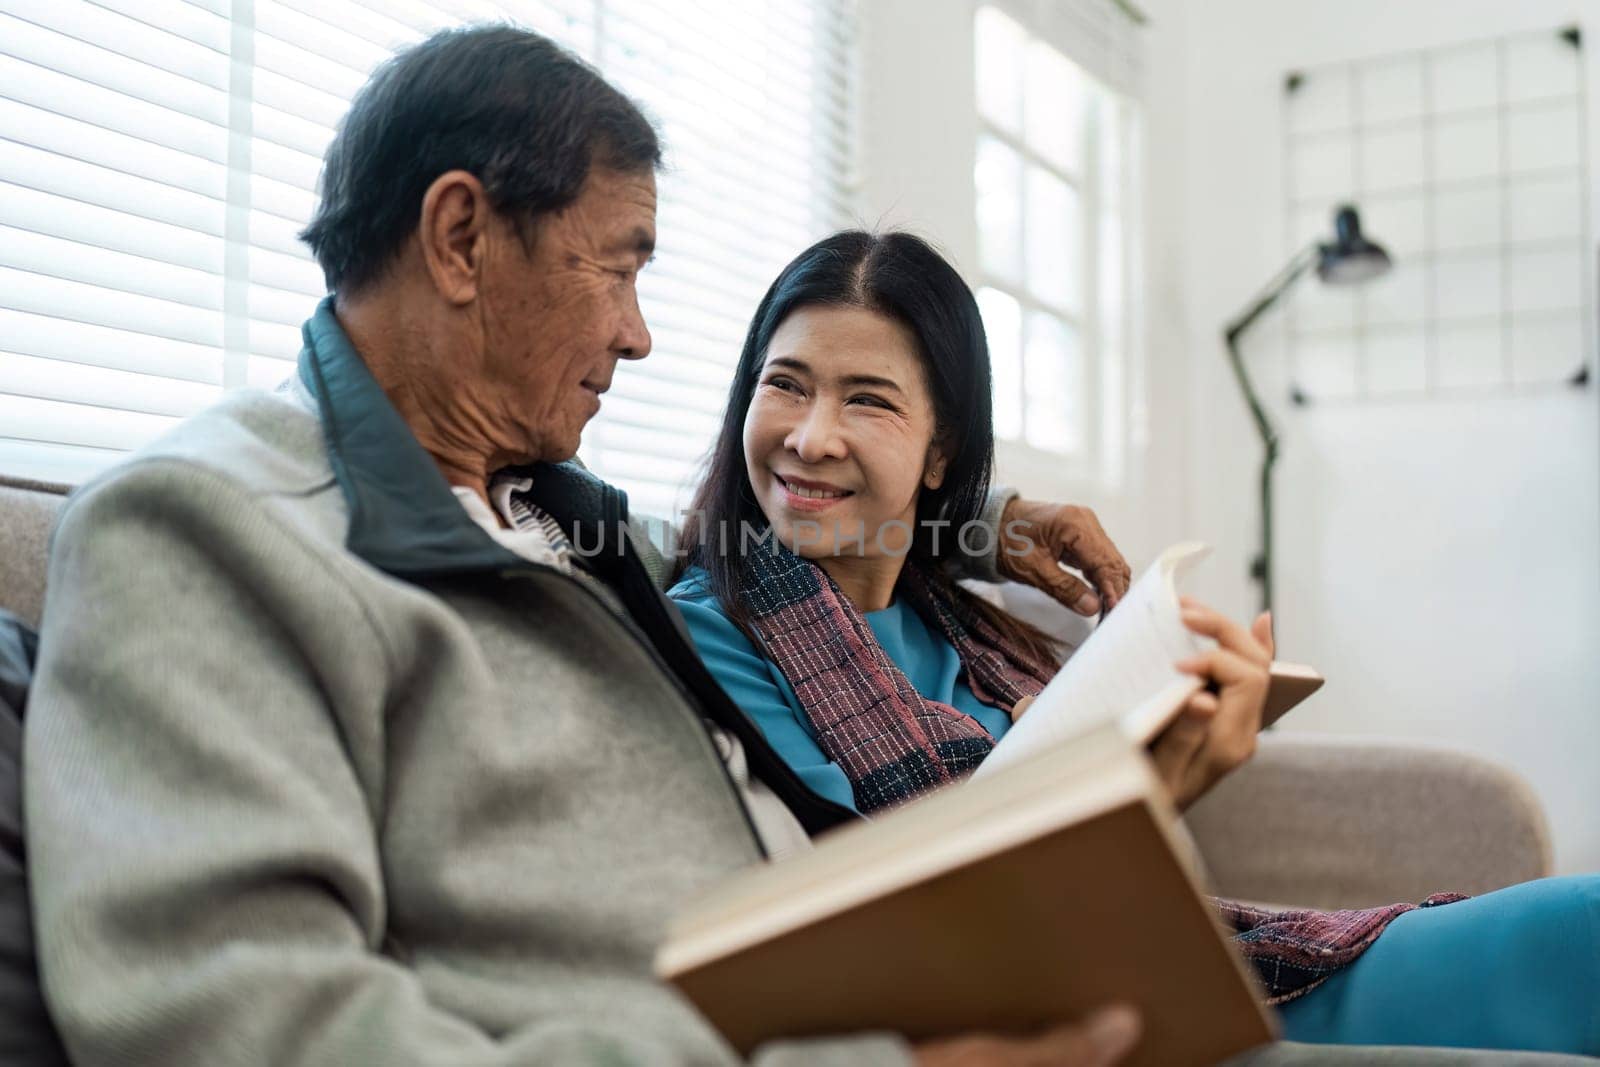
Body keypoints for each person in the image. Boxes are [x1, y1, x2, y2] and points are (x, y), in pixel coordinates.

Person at [20, 24, 1202, 1067]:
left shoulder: (552, 507)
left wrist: (989, 523)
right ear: (460, 238)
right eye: (620, 265)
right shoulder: (203, 529)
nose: (638, 335)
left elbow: (772, 521)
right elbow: (244, 1025)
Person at [668, 229, 1600, 1057]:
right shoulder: (712, 631)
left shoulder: (951, 605)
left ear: (941, 452)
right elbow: (889, 927)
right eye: (783, 385)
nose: (809, 436)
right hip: (1072, 1017)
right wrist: (1132, 792)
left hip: (1196, 947)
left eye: (867, 401)